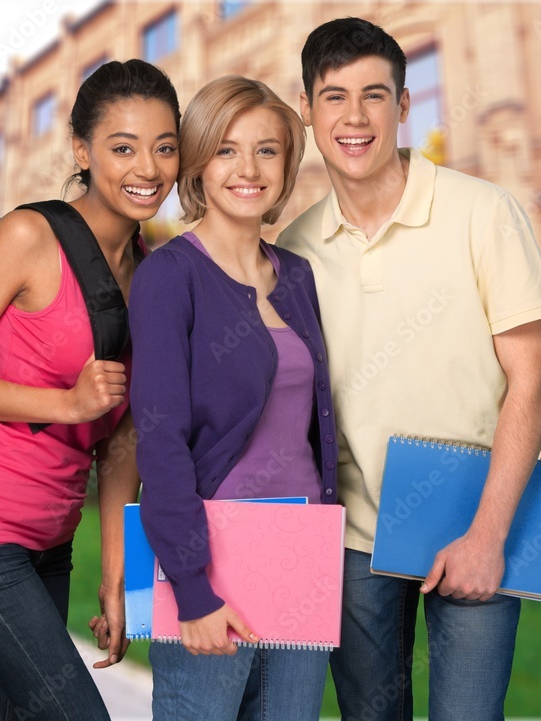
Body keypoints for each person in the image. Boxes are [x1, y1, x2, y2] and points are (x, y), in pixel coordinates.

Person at [278, 17, 541, 721]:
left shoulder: (483, 213)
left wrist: (489, 534)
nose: (354, 117)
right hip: (350, 542)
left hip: (478, 518)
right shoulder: (295, 246)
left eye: (375, 95)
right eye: (334, 96)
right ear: (307, 110)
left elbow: (535, 377)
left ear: (404, 107)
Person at [0, 59, 180, 721]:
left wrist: (117, 580)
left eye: (165, 147)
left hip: (51, 539)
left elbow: (122, 442)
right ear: (83, 152)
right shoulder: (30, 236)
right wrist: (65, 403)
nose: (148, 168)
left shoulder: (150, 273)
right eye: (123, 147)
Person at [130, 75, 339, 720]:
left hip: (303, 547)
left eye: (267, 150)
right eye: (226, 149)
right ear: (197, 162)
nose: (248, 168)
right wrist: (192, 589)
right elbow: (159, 438)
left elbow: (311, 423)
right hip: (213, 554)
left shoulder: (296, 275)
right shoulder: (170, 275)